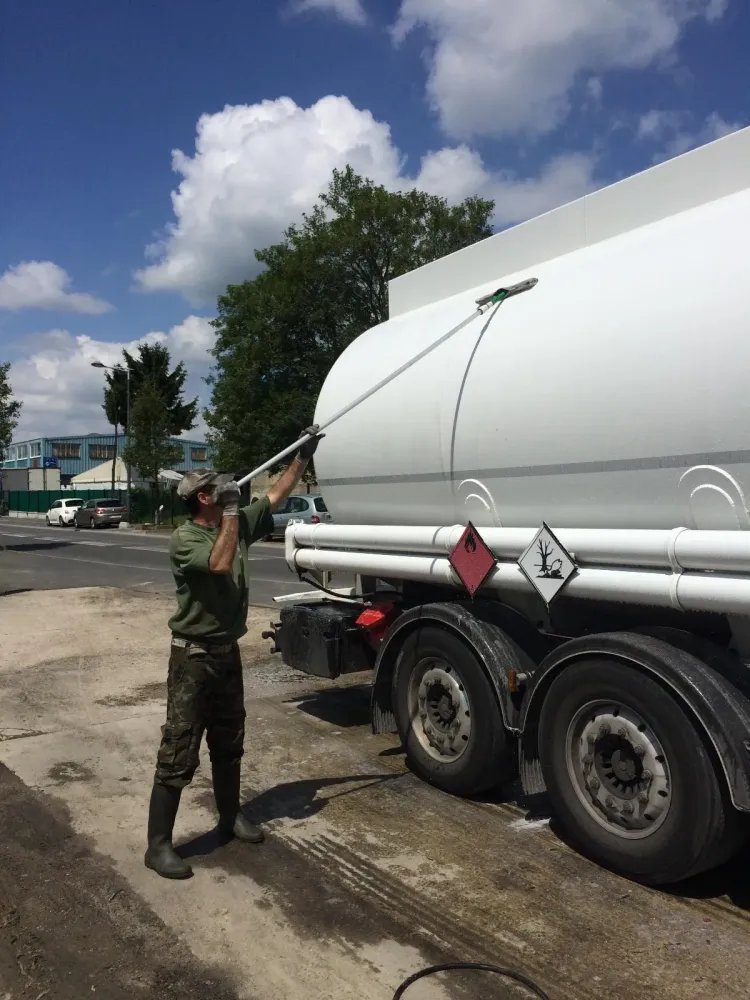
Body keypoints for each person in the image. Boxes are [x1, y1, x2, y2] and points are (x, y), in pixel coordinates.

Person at [144, 428, 322, 879]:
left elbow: (278, 493)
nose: (229, 490)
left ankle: (229, 816)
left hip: (226, 653)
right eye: (217, 489)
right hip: (193, 658)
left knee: (229, 743)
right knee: (179, 749)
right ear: (202, 498)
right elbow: (220, 563)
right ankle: (159, 846)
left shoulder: (234, 523)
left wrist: (302, 456)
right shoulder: (186, 538)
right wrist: (230, 513)